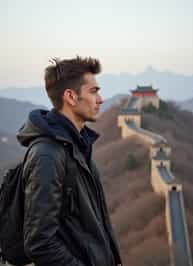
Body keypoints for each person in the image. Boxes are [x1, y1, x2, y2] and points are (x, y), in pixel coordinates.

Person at [17, 56, 122, 266]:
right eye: (93, 91)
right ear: (71, 97)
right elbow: (40, 243)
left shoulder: (79, 147)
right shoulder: (47, 156)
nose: (100, 99)